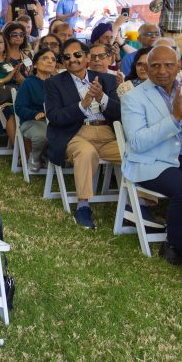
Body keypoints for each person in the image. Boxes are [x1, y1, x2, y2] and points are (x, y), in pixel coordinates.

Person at [121, 45, 182, 265]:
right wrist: (174, 119)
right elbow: (137, 142)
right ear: (146, 67)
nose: (162, 70)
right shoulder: (133, 98)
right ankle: (175, 244)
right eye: (155, 65)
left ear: (179, 66)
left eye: (168, 65)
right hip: (154, 161)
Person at [44, 39, 122, 230]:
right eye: (67, 57)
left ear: (87, 57)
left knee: (133, 152)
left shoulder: (108, 80)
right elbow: (54, 117)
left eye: (77, 55)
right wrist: (83, 104)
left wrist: (101, 97)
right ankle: (83, 207)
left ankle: (140, 204)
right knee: (86, 153)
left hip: (108, 133)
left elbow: (121, 113)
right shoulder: (54, 83)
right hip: (76, 134)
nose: (73, 60)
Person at [14, 46, 58, 172]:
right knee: (43, 134)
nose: (50, 61)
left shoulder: (57, 84)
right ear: (36, 65)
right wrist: (35, 114)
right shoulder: (28, 83)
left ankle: (56, 158)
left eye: (53, 60)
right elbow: (19, 107)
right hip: (32, 122)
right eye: (45, 58)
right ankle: (35, 157)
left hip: (55, 121)